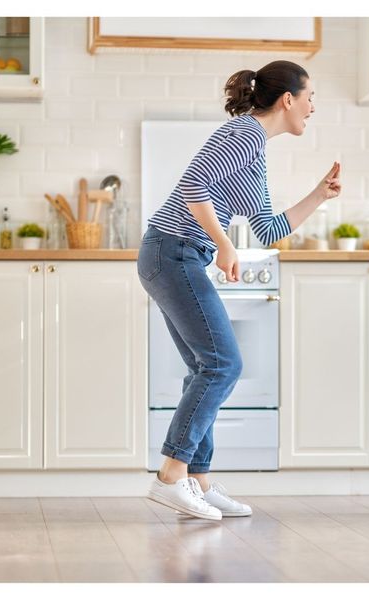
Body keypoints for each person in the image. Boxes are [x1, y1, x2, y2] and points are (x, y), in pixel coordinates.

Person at [137, 60, 341, 520]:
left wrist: (318, 195)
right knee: (223, 363)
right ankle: (171, 476)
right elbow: (193, 185)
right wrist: (225, 242)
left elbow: (268, 229)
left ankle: (199, 482)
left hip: (174, 254)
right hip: (174, 252)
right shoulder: (245, 134)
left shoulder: (254, 147)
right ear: (288, 99)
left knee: (204, 368)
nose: (313, 107)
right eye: (310, 98)